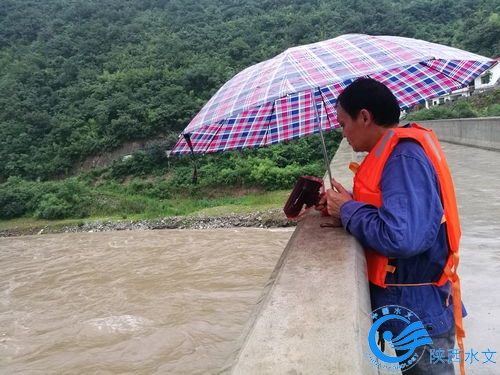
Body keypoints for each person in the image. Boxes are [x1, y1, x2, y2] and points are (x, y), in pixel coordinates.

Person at [317, 77, 464, 374]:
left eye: (343, 124)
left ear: (365, 117)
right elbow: (396, 213)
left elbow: (402, 237)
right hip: (411, 305)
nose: (343, 134)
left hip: (420, 311)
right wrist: (348, 206)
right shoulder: (393, 153)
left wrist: (348, 210)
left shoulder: (403, 157)